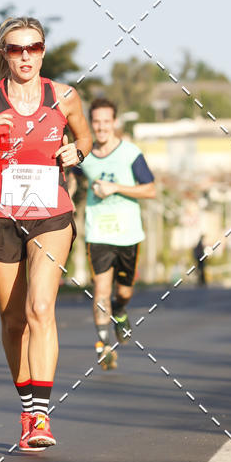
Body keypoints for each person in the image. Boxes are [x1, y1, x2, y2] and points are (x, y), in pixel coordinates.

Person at [0, 16, 92, 451]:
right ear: (4, 54)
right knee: (13, 323)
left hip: (50, 213)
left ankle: (40, 416)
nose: (25, 55)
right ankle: (27, 407)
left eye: (33, 47)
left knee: (40, 307)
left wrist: (77, 151)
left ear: (43, 51)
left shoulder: (64, 96)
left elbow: (83, 139)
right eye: (16, 49)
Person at [76, 98, 155, 369]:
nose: (101, 127)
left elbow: (150, 189)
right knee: (100, 290)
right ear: (91, 123)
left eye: (106, 122)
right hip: (97, 233)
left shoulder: (131, 153)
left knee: (123, 292)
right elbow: (70, 176)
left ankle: (120, 312)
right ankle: (103, 345)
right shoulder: (83, 155)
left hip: (128, 234)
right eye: (96, 122)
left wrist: (116, 188)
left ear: (114, 123)